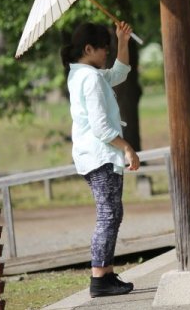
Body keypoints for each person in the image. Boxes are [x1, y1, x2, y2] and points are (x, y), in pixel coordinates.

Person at [60, 21, 140, 298]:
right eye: (104, 48)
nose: (107, 52)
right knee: (108, 216)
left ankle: (105, 274)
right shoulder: (90, 78)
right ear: (88, 48)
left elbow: (119, 73)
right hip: (100, 154)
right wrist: (127, 147)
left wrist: (122, 41)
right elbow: (101, 127)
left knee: (111, 214)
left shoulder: (83, 75)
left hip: (94, 155)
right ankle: (99, 277)